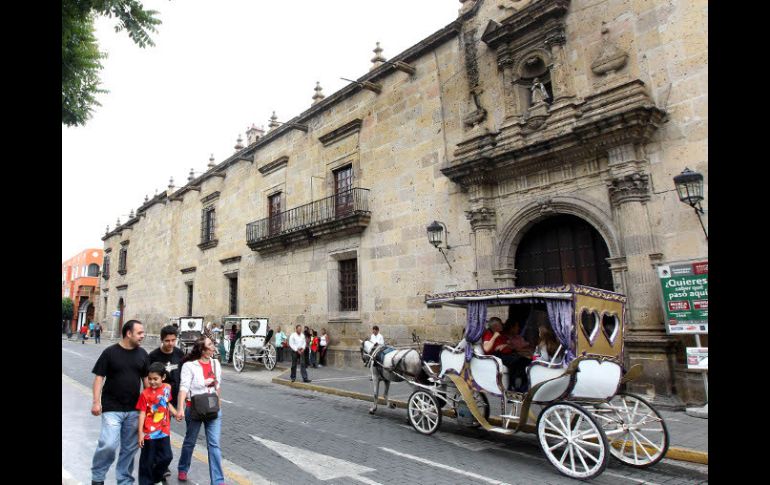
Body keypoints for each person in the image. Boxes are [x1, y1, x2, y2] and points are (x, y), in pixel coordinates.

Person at [90, 320, 150, 485]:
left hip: (134, 409)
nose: (142, 336)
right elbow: (99, 377)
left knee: (129, 450)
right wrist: (96, 402)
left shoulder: (143, 354)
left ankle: (124, 481)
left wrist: (149, 407)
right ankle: (98, 477)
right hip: (111, 408)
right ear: (128, 333)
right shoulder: (110, 353)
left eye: (143, 333)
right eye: (139, 333)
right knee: (108, 444)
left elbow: (146, 383)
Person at [176, 336, 224, 484]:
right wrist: (180, 408)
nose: (213, 346)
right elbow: (183, 388)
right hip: (194, 408)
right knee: (190, 441)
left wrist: (219, 404)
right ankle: (183, 468)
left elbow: (218, 386)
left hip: (213, 408)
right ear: (203, 350)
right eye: (210, 344)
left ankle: (218, 480)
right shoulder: (189, 366)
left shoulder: (216, 364)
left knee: (214, 444)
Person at [148, 325, 185, 480]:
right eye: (167, 340)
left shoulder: (179, 353)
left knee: (165, 430)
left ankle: (162, 462)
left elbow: (184, 375)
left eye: (173, 340)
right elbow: (149, 381)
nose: (170, 343)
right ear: (161, 340)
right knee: (160, 431)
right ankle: (160, 464)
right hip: (159, 401)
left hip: (176, 398)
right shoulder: (153, 356)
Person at [136, 362, 180, 485]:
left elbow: (166, 403)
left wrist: (175, 413)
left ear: (163, 378)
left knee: (167, 456)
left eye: (155, 379)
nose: (152, 382)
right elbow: (142, 414)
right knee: (147, 461)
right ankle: (146, 482)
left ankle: (155, 478)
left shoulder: (167, 388)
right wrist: (140, 433)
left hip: (164, 431)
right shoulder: (145, 394)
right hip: (149, 433)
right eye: (150, 379)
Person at [481, 317, 530, 391]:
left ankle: (523, 386)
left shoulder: (502, 334)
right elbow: (486, 348)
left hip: (509, 353)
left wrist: (506, 345)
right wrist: (494, 337)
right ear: (495, 326)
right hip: (497, 356)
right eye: (501, 324)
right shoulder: (489, 333)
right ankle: (513, 387)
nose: (503, 325)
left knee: (526, 361)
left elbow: (510, 345)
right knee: (518, 362)